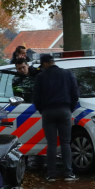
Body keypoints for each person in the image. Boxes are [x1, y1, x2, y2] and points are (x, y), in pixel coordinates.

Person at [32, 54, 80, 182]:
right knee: (65, 143)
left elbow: (36, 98)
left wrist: (42, 110)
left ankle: (51, 174)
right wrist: (70, 108)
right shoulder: (67, 74)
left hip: (48, 112)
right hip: (64, 110)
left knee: (51, 144)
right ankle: (68, 173)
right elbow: (75, 93)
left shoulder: (40, 77)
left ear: (44, 64)